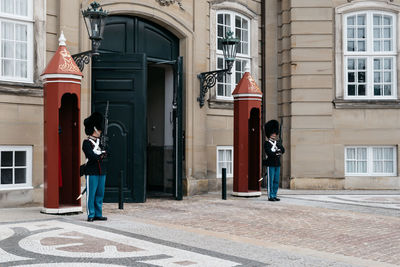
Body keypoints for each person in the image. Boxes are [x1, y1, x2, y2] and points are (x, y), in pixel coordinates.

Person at [82, 112, 108, 222]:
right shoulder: (87, 142)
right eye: (99, 128)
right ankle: (91, 214)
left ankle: (98, 213)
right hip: (91, 171)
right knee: (91, 194)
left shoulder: (101, 142)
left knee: (100, 194)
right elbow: (91, 156)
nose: (101, 131)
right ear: (94, 128)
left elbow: (107, 154)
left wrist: (102, 153)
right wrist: (100, 154)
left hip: (101, 171)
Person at [264, 120, 285, 202]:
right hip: (271, 164)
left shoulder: (278, 142)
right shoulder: (267, 143)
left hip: (277, 164)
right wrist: (277, 152)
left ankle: (274, 194)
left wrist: (278, 151)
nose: (274, 134)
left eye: (275, 133)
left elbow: (283, 150)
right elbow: (269, 153)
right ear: (269, 133)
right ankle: (270, 196)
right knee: (271, 181)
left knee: (276, 181)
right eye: (272, 133)